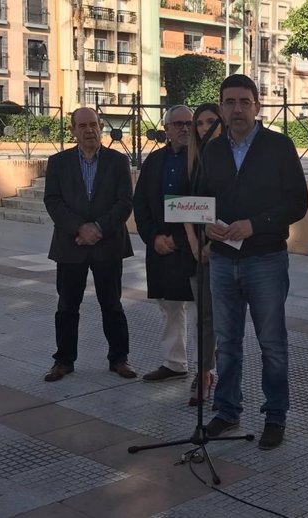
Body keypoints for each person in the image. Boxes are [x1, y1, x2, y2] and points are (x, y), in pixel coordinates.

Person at [197, 74, 308, 450]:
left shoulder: (279, 146)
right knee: (227, 342)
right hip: (223, 262)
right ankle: (227, 410)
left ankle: (275, 416)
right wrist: (206, 225)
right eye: (229, 102)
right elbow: (200, 199)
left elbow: (298, 203)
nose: (237, 109)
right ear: (222, 108)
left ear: (257, 106)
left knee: (271, 343)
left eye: (245, 101)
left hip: (266, 259)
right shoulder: (212, 151)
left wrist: (254, 225)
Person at [43, 107, 135, 382]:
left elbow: (124, 202)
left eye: (93, 124)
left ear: (100, 127)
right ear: (73, 130)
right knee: (67, 306)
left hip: (108, 245)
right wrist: (79, 228)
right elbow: (53, 201)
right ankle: (63, 361)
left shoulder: (118, 162)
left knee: (113, 305)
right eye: (82, 126)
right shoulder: (58, 162)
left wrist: (97, 228)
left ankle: (119, 359)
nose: (89, 130)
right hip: (71, 246)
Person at [133, 105, 197, 389]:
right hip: (160, 244)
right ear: (167, 129)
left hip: (192, 246)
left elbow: (205, 206)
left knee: (201, 309)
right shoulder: (154, 160)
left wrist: (178, 239)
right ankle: (174, 363)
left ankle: (208, 370)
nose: (184, 128)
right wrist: (154, 237)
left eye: (189, 124)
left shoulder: (203, 160)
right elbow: (141, 202)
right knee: (169, 305)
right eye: (178, 124)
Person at [184, 103, 222, 406]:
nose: (205, 127)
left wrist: (212, 244)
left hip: (225, 248)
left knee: (225, 320)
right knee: (204, 318)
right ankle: (204, 371)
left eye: (211, 121)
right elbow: (184, 206)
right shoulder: (194, 161)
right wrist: (196, 246)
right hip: (199, 251)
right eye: (200, 123)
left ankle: (221, 375)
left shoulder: (228, 159)